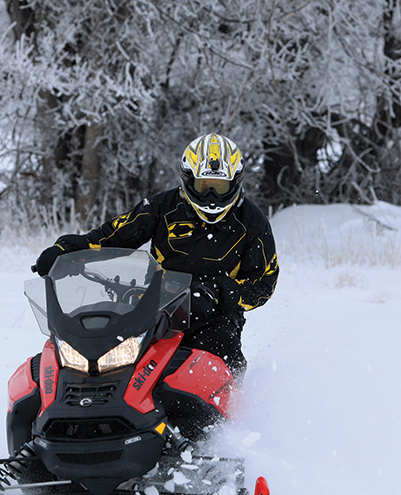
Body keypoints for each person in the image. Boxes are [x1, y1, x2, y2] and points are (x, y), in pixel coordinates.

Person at [33, 133, 279, 377]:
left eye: (219, 186)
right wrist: (68, 249)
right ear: (187, 179)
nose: (211, 196)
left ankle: (233, 413)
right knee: (102, 341)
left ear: (235, 182)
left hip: (215, 317)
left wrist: (228, 293)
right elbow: (114, 235)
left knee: (222, 353)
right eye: (204, 186)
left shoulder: (252, 222)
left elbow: (265, 281)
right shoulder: (162, 206)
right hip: (156, 307)